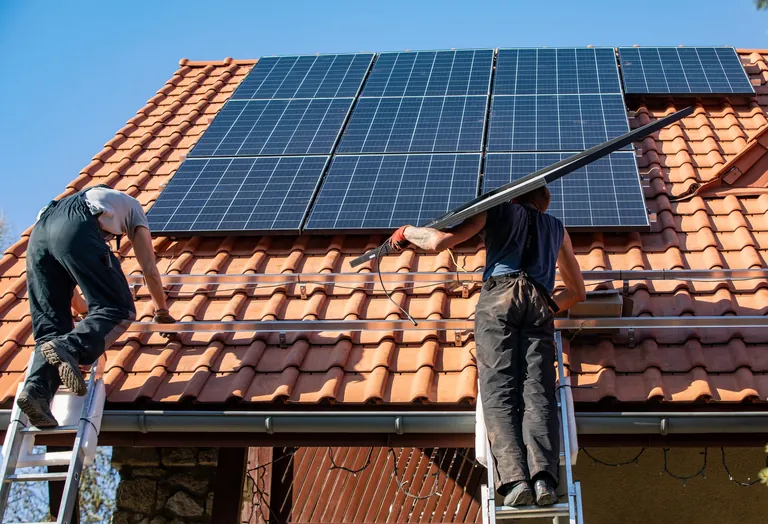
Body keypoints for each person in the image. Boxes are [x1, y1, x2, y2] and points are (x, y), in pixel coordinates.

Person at [385, 185, 585, 507]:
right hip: (539, 300)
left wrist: (407, 232)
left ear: (516, 196)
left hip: (499, 298)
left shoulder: (496, 209)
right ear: (544, 204)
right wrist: (546, 307)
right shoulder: (557, 229)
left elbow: (438, 242)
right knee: (538, 391)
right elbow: (577, 292)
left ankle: (516, 480)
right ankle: (544, 479)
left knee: (499, 390)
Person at [17, 185, 177, 428]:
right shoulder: (133, 207)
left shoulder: (77, 204)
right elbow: (149, 268)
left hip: (38, 237)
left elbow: (67, 291)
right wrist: (161, 312)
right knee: (118, 308)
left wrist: (87, 318)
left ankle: (36, 394)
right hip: (75, 230)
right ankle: (70, 347)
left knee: (51, 329)